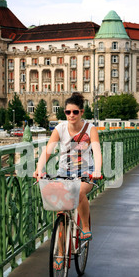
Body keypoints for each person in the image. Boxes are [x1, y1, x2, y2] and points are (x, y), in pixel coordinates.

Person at [34, 92, 102, 244]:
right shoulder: (60, 128)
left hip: (86, 171)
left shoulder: (90, 129)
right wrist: (39, 168)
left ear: (81, 112)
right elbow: (47, 151)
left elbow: (97, 152)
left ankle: (85, 227)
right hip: (64, 172)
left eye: (75, 112)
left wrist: (97, 170)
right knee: (61, 211)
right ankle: (60, 253)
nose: (71, 115)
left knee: (78, 193)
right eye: (68, 112)